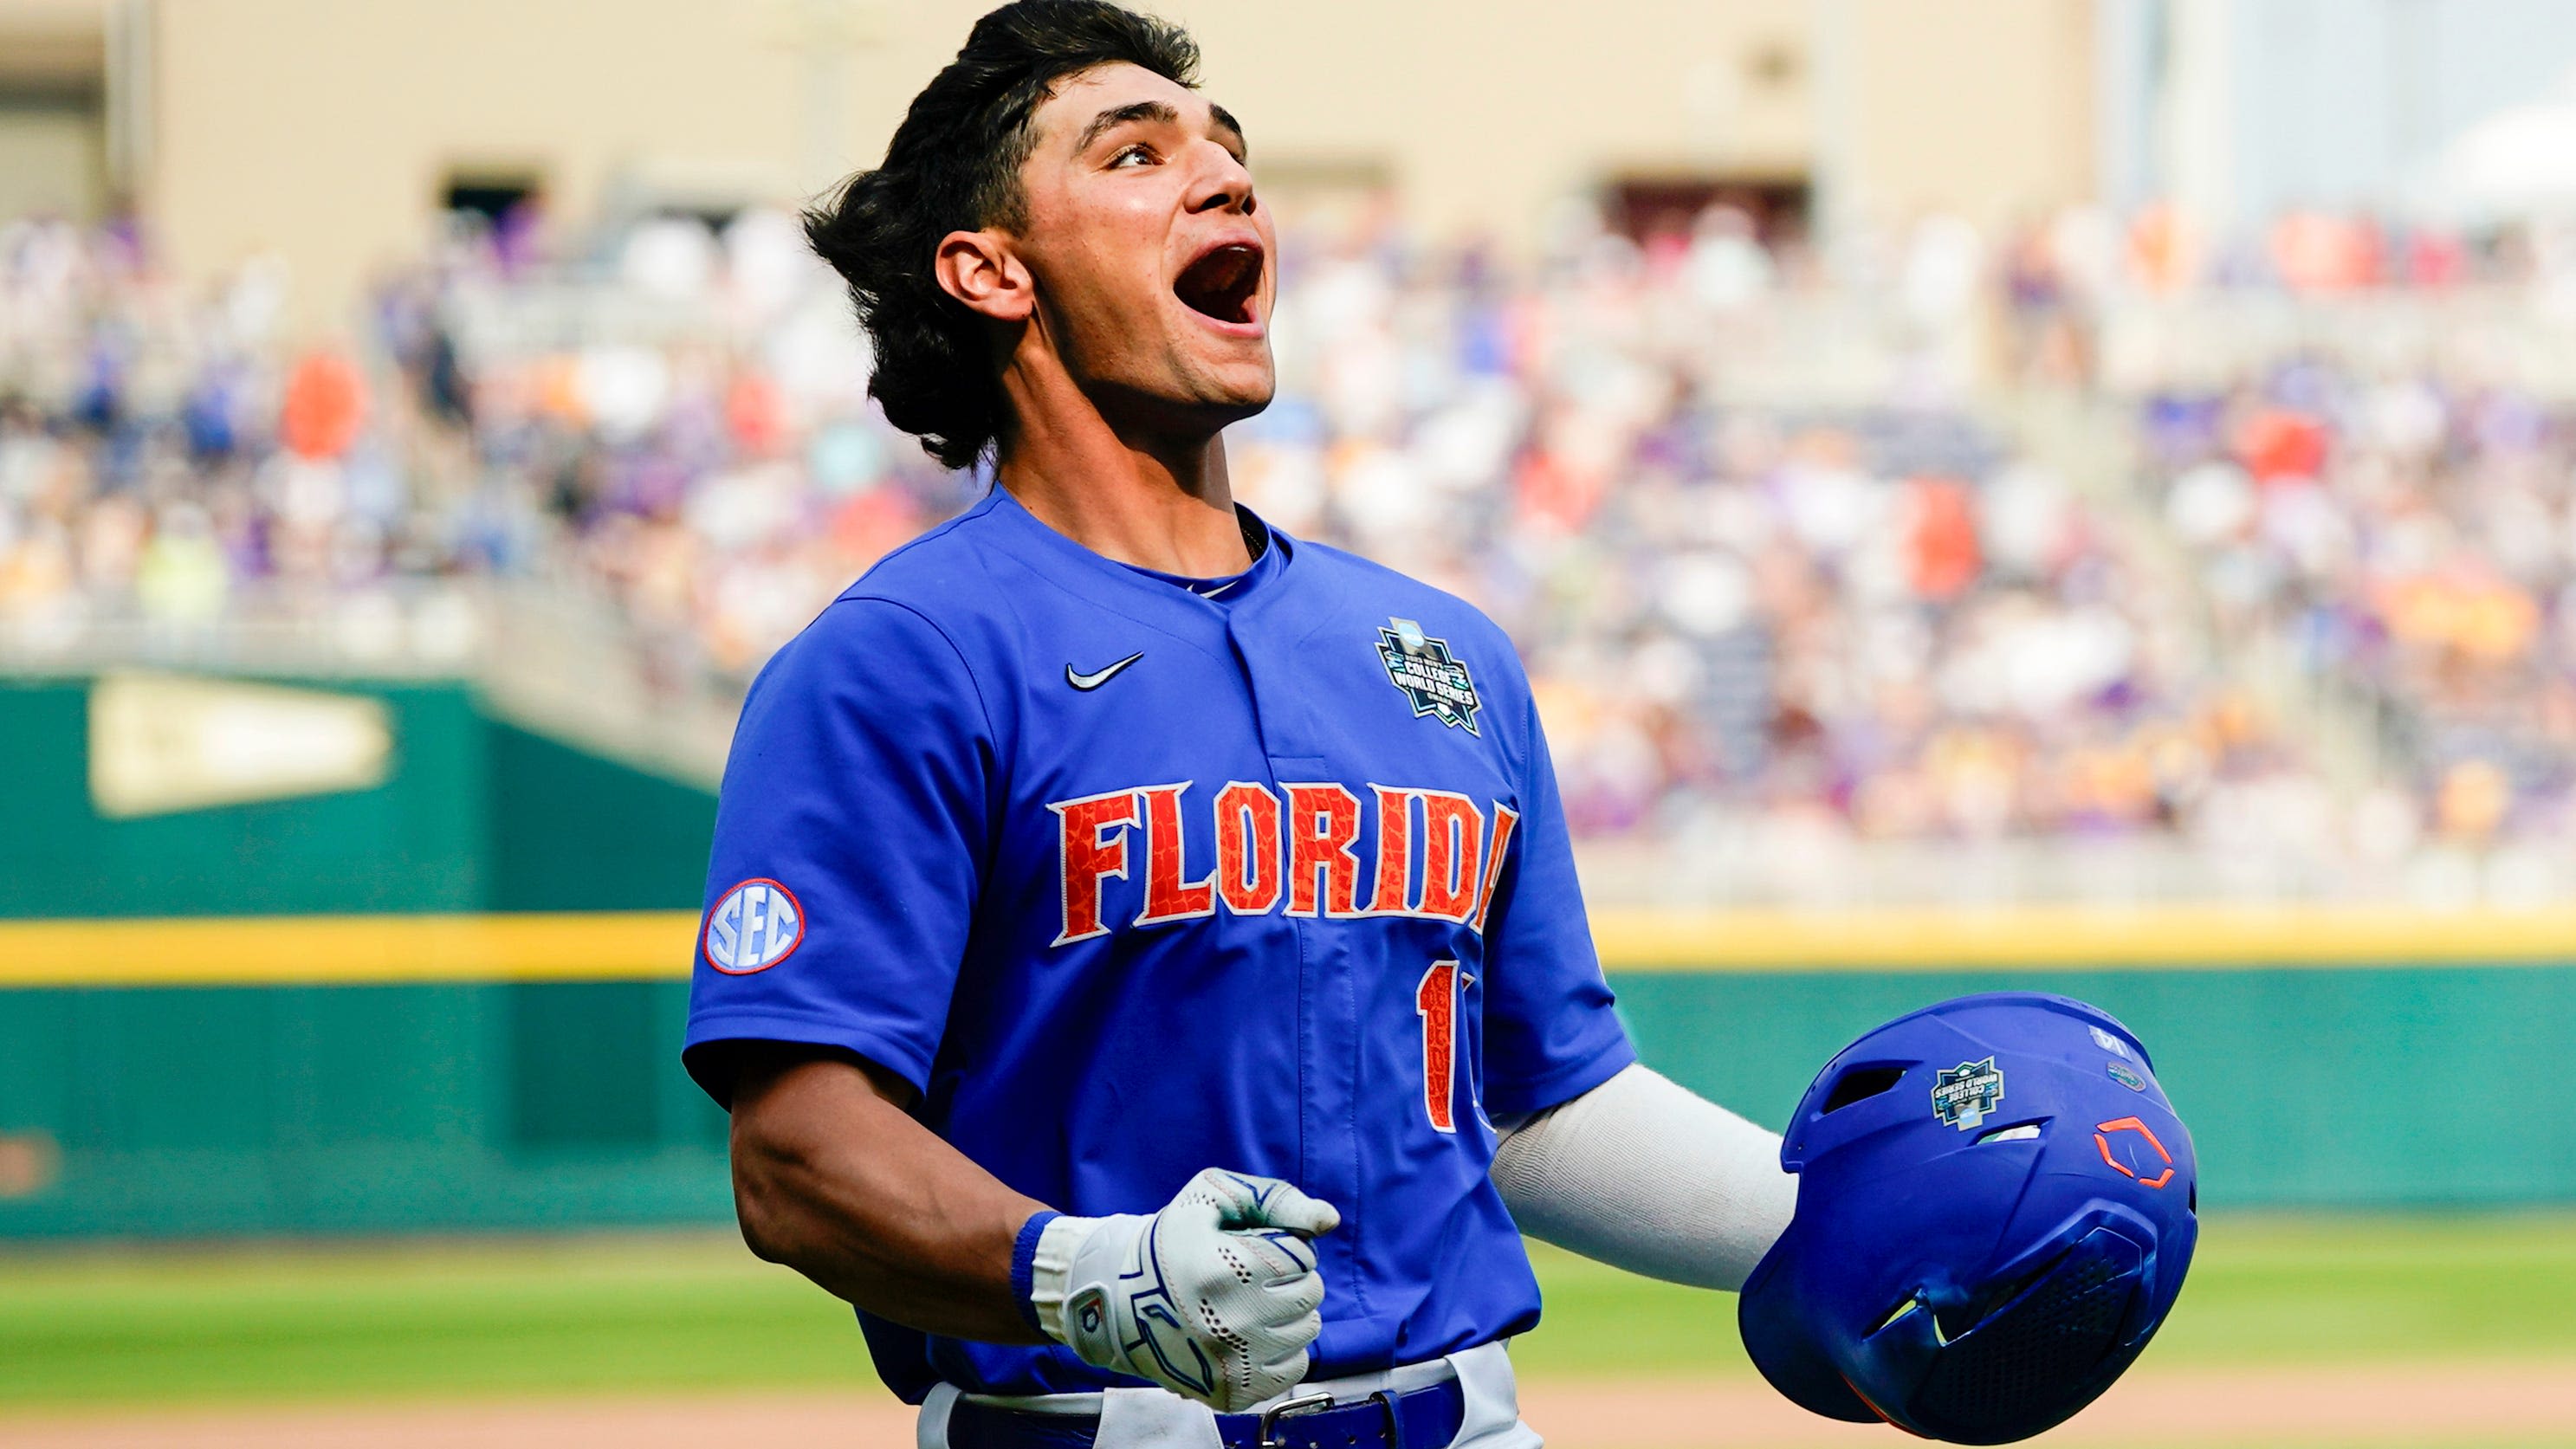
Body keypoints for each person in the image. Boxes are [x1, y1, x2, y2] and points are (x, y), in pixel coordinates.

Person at [682, 5, 1796, 1446]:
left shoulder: (1437, 651)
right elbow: (794, 1158)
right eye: (1136, 154)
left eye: (1229, 152)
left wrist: (1832, 1215)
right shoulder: (901, 660)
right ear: (989, 269)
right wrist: (1087, 1272)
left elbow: (1529, 1105)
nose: (1223, 179)